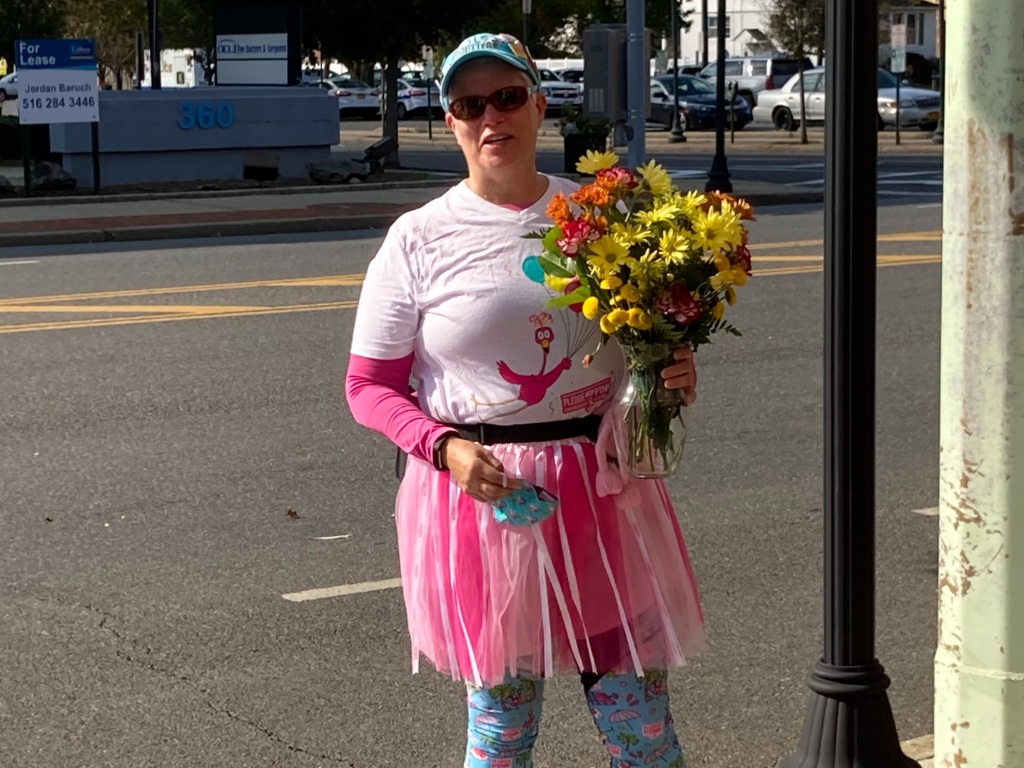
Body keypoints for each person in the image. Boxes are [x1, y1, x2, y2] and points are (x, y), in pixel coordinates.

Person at [345, 32, 705, 768]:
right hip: (488, 504)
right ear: (449, 119)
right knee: (502, 737)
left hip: (604, 494)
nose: (490, 117)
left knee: (642, 731)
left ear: (540, 105)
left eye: (507, 97)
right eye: (468, 104)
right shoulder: (418, 239)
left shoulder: (602, 217)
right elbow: (368, 387)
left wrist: (672, 370)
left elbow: (649, 336)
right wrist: (442, 447)